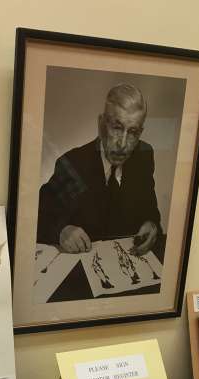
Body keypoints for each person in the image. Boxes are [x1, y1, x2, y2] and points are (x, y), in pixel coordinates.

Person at [36, 84, 161, 255]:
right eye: (117, 128)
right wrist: (61, 231)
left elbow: (150, 210)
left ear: (140, 132)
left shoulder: (144, 157)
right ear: (101, 124)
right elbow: (36, 215)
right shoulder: (72, 164)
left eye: (132, 132)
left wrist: (152, 224)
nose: (123, 144)